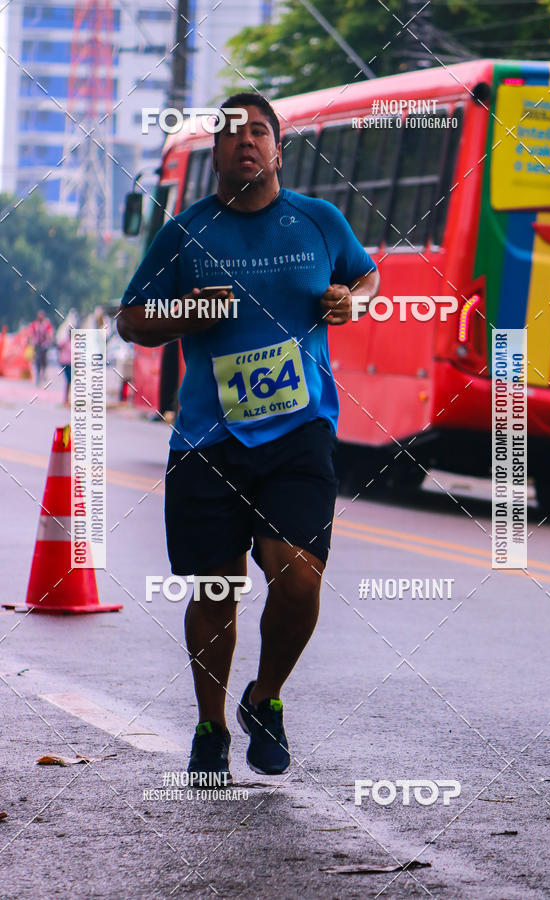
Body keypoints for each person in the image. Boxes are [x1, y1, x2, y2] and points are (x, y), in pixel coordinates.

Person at [117, 92, 380, 783]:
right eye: (232, 133)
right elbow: (131, 319)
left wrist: (356, 301)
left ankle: (265, 700)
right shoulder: (185, 232)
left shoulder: (319, 221)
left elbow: (366, 273)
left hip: (301, 430)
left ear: (278, 148)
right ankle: (210, 727)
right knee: (215, 590)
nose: (246, 142)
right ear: (216, 153)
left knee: (297, 576)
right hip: (208, 437)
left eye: (259, 131)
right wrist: (188, 312)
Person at [55, 308, 79, 405]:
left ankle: (68, 398)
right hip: (65, 363)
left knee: (71, 380)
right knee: (69, 379)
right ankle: (66, 398)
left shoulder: (75, 342)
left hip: (72, 363)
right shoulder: (65, 342)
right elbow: (58, 347)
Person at [28, 310, 54, 386]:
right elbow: (31, 334)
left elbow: (50, 333)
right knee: (37, 360)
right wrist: (31, 342)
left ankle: (43, 372)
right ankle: (38, 376)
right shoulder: (34, 324)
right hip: (37, 345)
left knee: (44, 360)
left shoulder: (46, 324)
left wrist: (50, 340)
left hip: (44, 345)